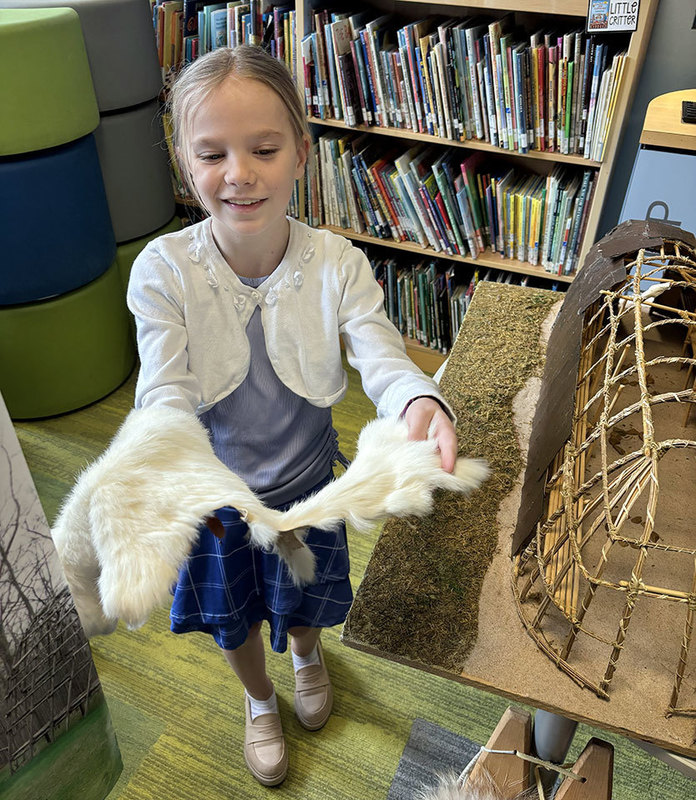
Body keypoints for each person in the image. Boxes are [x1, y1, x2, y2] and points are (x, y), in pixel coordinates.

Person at [127, 44, 458, 787]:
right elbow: (163, 386)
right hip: (219, 502)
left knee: (305, 601)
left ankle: (307, 655)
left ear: (302, 154)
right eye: (211, 153)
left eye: (264, 149)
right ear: (184, 161)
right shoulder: (162, 271)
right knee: (233, 617)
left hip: (312, 491)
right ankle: (258, 698)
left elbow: (381, 355)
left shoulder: (337, 263)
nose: (238, 173)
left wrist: (418, 399)